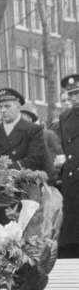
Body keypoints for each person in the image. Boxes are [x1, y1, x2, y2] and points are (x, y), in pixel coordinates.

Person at [0, 87, 51, 225]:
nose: (3, 110)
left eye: (7, 106)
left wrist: (8, 170)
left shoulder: (32, 130)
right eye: (0, 107)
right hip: (1, 194)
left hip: (25, 192)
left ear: (17, 107)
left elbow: (35, 159)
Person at [56, 73, 79, 258]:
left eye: (77, 93)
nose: (74, 98)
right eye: (70, 94)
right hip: (72, 182)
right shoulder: (65, 117)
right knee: (72, 239)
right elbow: (65, 147)